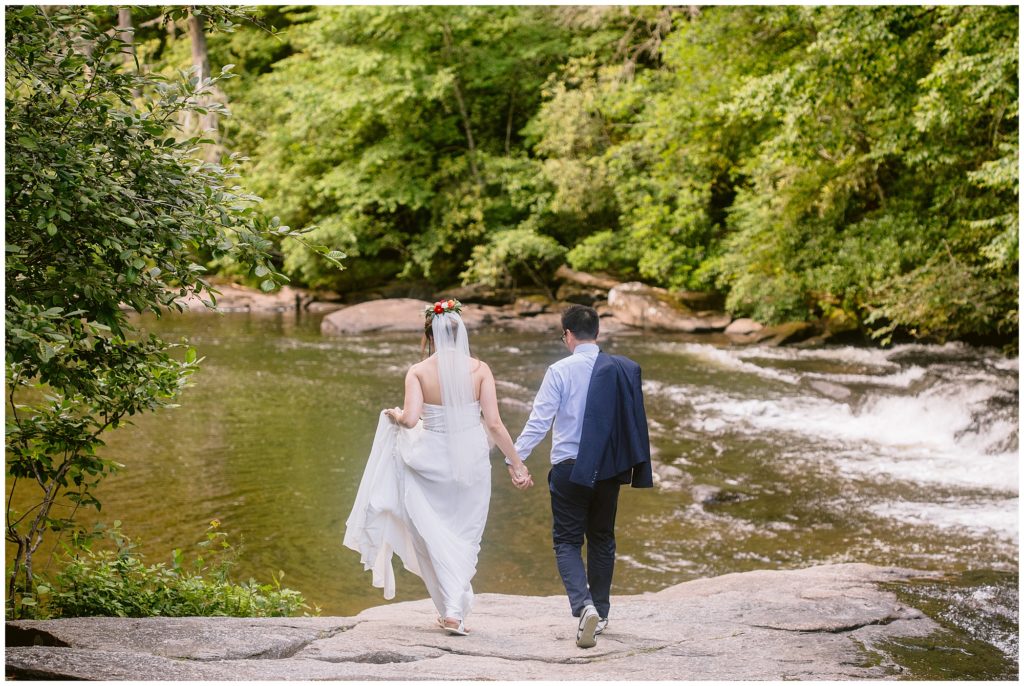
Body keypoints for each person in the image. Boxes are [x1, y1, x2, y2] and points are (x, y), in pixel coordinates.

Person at [344, 298, 531, 636]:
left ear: (429, 334)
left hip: (429, 461)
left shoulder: (417, 372)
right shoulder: (480, 370)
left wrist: (393, 415)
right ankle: (454, 611)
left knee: (430, 535)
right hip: (471, 461)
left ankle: (450, 610)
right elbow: (494, 424)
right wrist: (516, 464)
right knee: (465, 534)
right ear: (460, 334)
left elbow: (411, 419)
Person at [513, 304, 652, 649]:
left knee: (567, 541)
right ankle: (601, 614)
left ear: (568, 335)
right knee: (603, 538)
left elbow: (540, 420)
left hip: (570, 468)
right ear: (598, 334)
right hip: (607, 468)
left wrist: (515, 459)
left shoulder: (559, 370)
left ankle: (584, 605)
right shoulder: (620, 369)